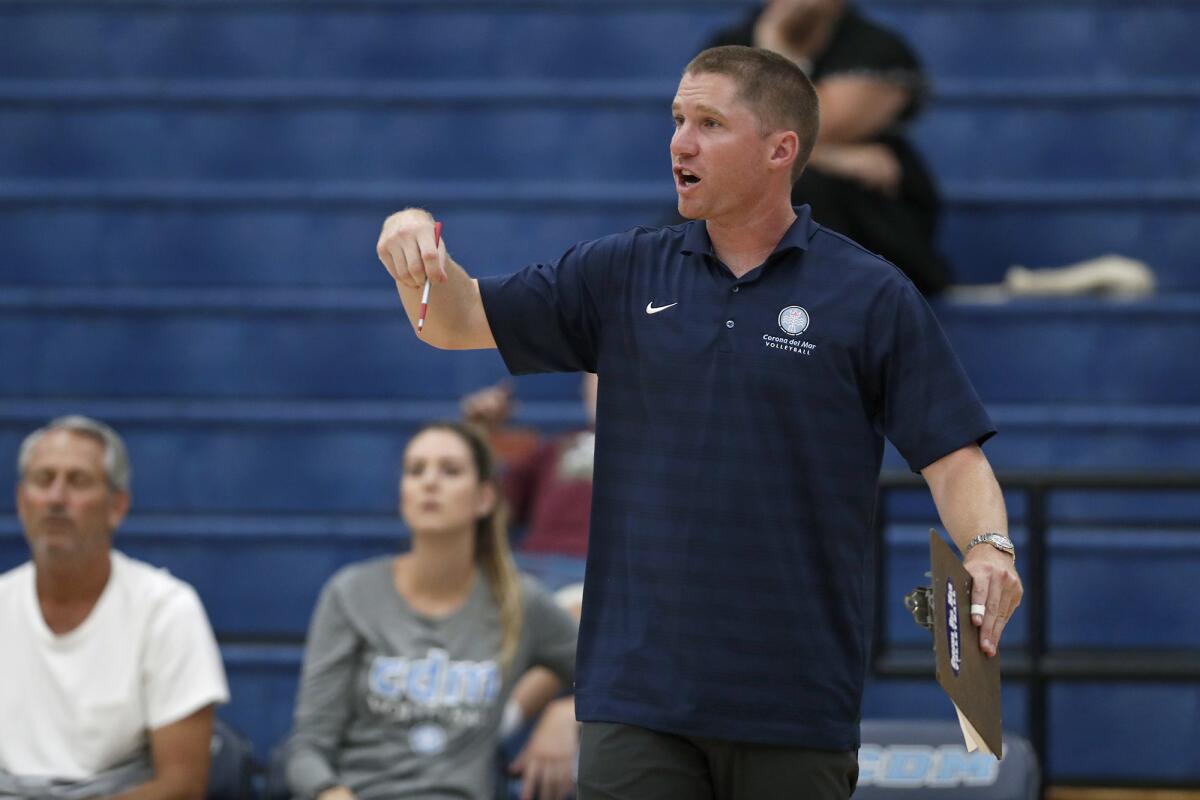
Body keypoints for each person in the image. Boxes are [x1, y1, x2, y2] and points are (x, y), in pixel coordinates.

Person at [375, 45, 1022, 800]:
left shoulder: (870, 295)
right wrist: (414, 241)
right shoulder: (620, 272)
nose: (680, 140)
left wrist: (989, 548)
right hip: (637, 699)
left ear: (781, 150)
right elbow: (456, 322)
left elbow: (955, 458)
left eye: (709, 123)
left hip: (796, 700)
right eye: (678, 118)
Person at [285, 422, 580, 800]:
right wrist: (330, 793)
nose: (429, 482)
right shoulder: (351, 593)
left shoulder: (520, 602)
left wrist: (568, 713)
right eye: (415, 470)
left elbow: (613, 679)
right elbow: (307, 749)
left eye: (450, 471)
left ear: (485, 498)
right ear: (403, 493)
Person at [0, 415, 229, 799]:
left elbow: (183, 786)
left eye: (78, 481)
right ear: (22, 503)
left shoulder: (167, 609)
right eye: (43, 480)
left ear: (116, 506)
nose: (56, 498)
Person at [704, 0, 953, 295]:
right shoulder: (730, 45)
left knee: (799, 191)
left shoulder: (875, 47)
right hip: (763, 193)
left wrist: (776, 51)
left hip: (863, 207)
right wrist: (833, 156)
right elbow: (712, 132)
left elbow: (812, 123)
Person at [461, 373, 597, 557]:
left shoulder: (647, 449)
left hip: (614, 573)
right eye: (597, 373)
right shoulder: (555, 448)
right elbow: (494, 511)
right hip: (542, 569)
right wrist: (480, 436)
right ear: (583, 387)